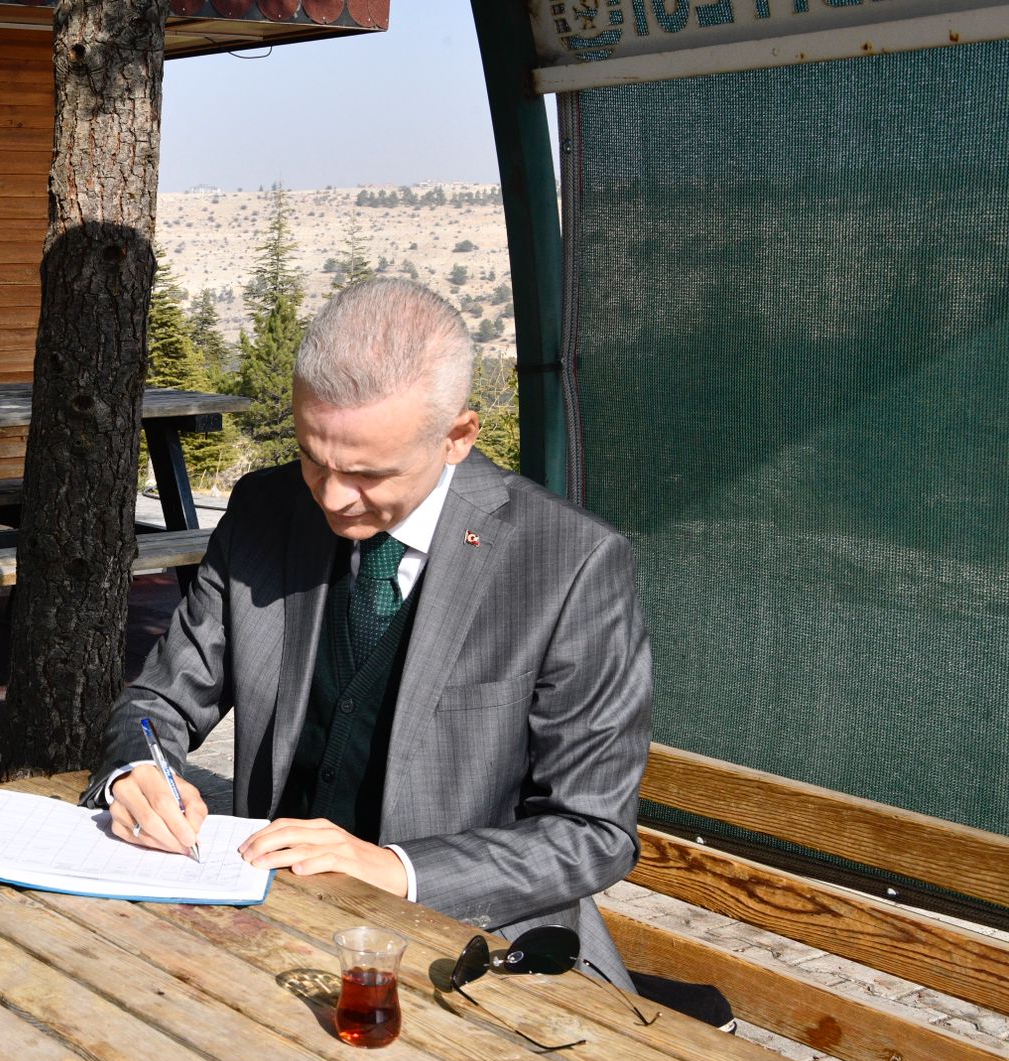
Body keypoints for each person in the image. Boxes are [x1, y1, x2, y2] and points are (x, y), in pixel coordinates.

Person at [89, 278, 650, 989]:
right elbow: (159, 701)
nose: (331, 496)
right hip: (272, 922)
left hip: (473, 955)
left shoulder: (569, 563)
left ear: (457, 437)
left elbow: (593, 834)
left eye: (367, 473)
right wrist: (137, 773)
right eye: (311, 456)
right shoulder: (267, 509)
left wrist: (395, 869)